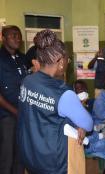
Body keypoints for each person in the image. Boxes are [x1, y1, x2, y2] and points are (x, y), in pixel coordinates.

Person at [18, 30, 93, 174]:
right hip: (54, 163)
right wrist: (79, 110)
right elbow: (88, 124)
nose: (67, 63)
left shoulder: (27, 81)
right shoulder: (63, 92)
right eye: (67, 60)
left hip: (30, 157)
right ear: (60, 62)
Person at [0, 25, 28, 174]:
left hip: (23, 114)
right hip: (6, 116)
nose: (18, 38)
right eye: (13, 35)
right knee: (6, 157)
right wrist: (15, 112)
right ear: (3, 38)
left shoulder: (22, 58)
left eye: (19, 35)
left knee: (20, 157)